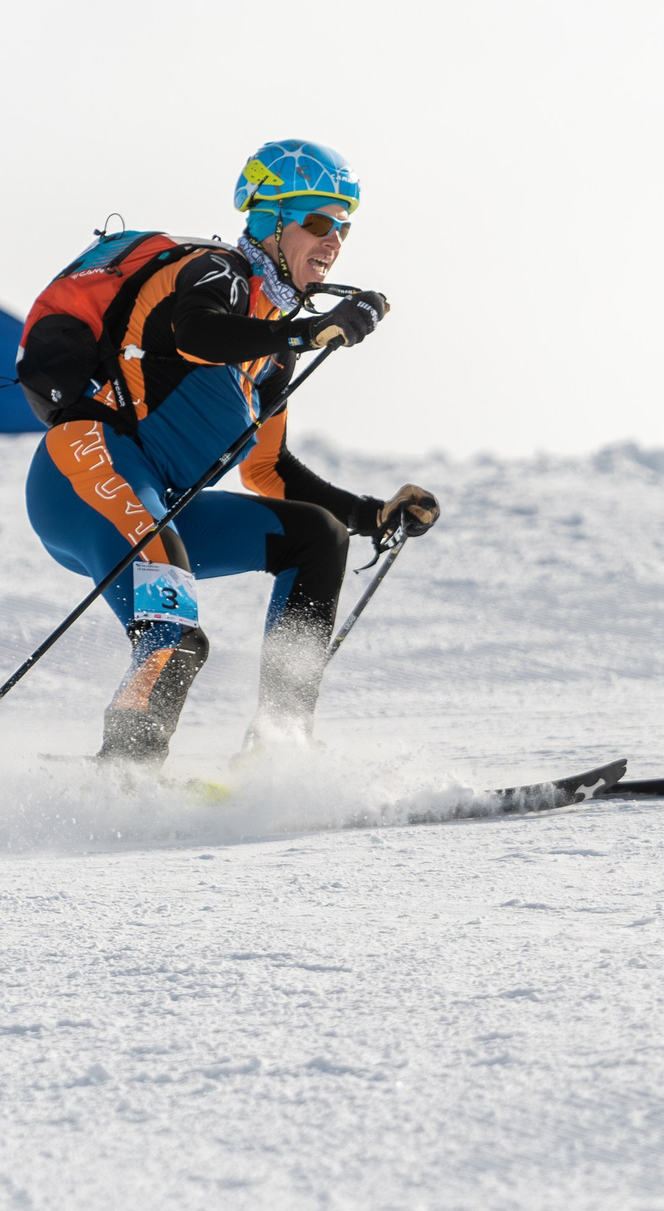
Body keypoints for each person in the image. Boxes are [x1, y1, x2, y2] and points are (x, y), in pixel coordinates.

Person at [22, 139, 439, 765]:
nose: (334, 243)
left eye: (343, 229)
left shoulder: (271, 350)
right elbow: (196, 334)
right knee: (175, 636)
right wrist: (303, 330)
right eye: (319, 223)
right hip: (87, 474)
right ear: (270, 221)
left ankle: (279, 746)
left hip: (156, 502)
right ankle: (122, 781)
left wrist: (370, 515)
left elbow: (268, 470)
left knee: (317, 537)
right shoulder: (216, 272)